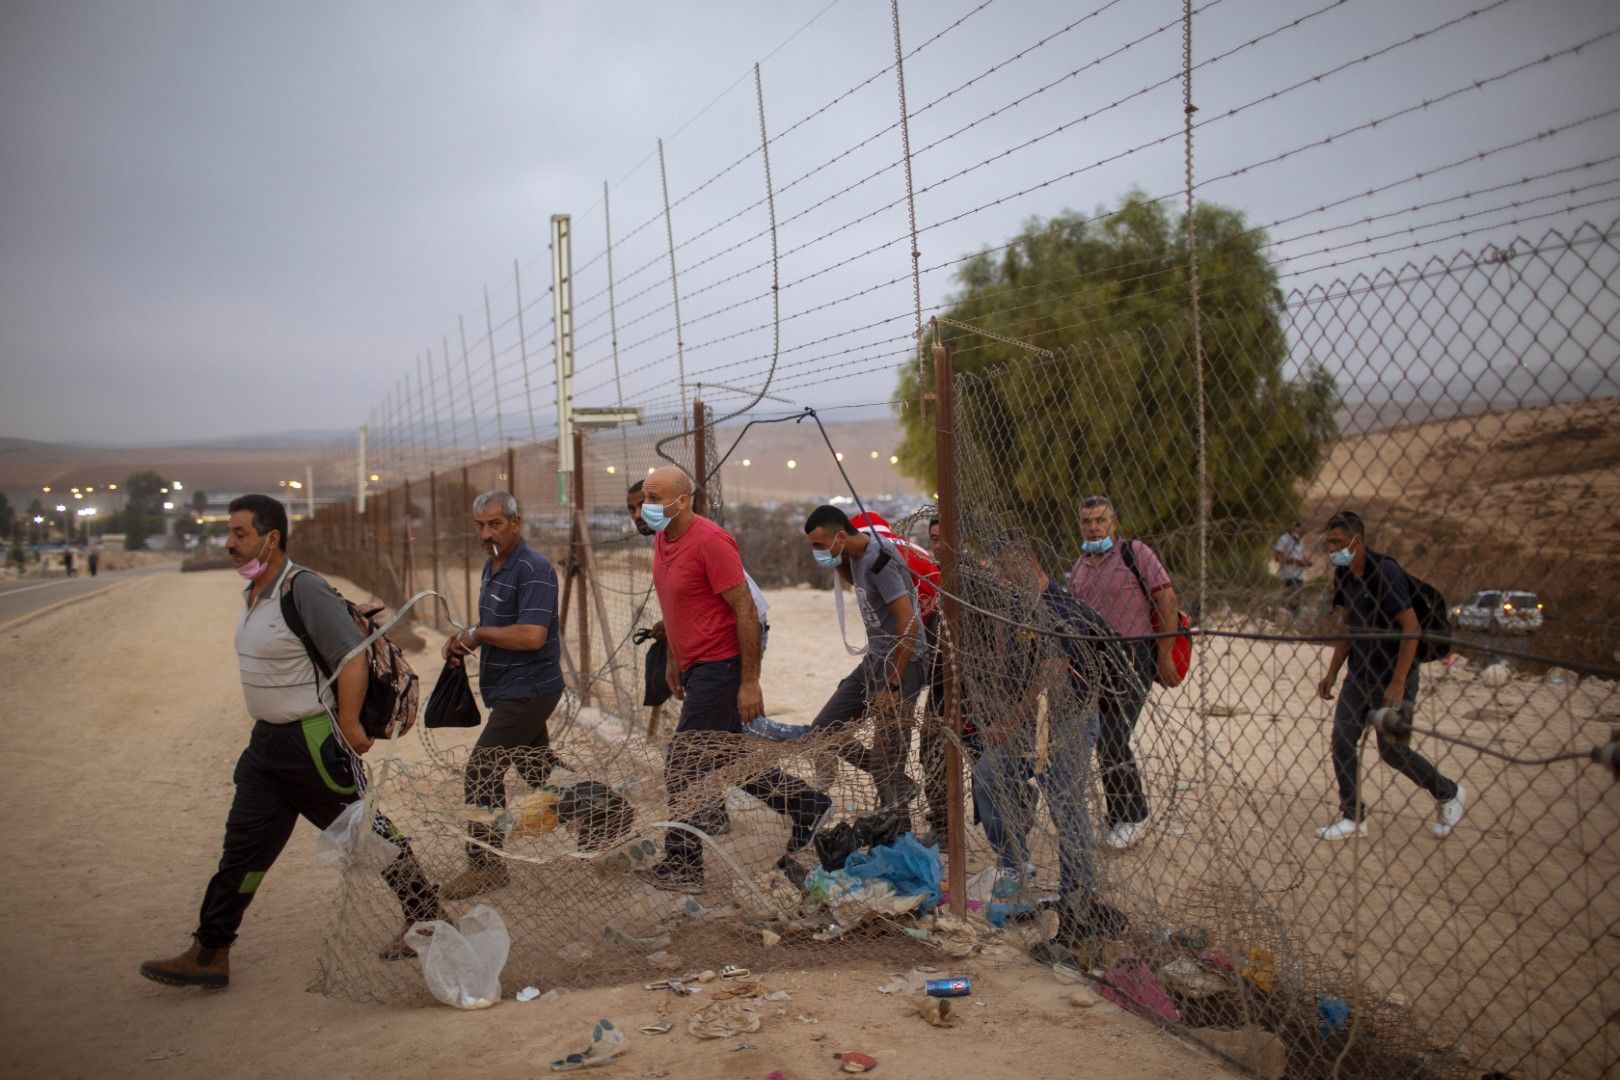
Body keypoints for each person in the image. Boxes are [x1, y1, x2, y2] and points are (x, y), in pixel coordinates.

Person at [139, 495, 440, 989]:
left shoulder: (304, 590)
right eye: (229, 533)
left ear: (271, 537)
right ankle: (210, 950)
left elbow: (353, 657)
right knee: (243, 850)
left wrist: (348, 721)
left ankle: (428, 914)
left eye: (239, 534)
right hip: (266, 749)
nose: (230, 544)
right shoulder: (256, 592)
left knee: (365, 834)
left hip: (312, 743)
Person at [635, 467, 830, 893]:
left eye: (654, 497)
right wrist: (672, 659)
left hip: (721, 667)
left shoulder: (710, 541)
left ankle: (684, 865)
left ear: (682, 500)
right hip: (693, 665)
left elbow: (744, 609)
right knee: (726, 758)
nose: (646, 506)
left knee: (683, 762)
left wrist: (749, 682)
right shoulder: (664, 539)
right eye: (645, 498)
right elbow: (676, 607)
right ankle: (807, 803)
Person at [974, 531, 1127, 943]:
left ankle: (1078, 895)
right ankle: (1015, 863)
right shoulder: (1018, 608)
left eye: (1006, 572)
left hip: (1069, 723)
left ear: (1026, 563)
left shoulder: (1060, 610)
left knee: (1067, 808)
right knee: (989, 776)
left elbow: (1052, 678)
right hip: (1029, 725)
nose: (1002, 581)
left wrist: (1009, 720)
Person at [437, 491, 567, 899]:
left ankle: (485, 866)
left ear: (516, 522)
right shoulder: (493, 566)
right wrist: (467, 640)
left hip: (529, 689)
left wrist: (477, 634)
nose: (486, 533)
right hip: (507, 687)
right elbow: (496, 625)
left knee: (482, 769)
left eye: (495, 524)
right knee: (540, 771)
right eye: (479, 525)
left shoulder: (534, 569)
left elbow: (532, 635)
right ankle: (609, 811)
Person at [1315, 511, 1465, 840]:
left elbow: (1411, 629)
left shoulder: (1385, 573)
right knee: (1342, 741)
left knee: (1393, 752)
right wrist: (1331, 672)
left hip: (1395, 676)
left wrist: (1398, 683)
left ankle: (1449, 793)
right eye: (1329, 543)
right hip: (1359, 675)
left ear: (1358, 540)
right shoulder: (1344, 575)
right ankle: (1353, 815)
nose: (1332, 549)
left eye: (1338, 542)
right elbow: (1347, 626)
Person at [1066, 495, 1179, 850]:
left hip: (1133, 656)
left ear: (1113, 522)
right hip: (1096, 662)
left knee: (1115, 736)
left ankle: (1135, 814)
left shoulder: (1135, 554)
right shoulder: (1080, 567)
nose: (1093, 527)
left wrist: (1165, 653)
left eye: (1100, 520)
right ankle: (1116, 817)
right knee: (1102, 739)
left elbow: (1167, 599)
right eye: (1087, 522)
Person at [803, 505, 928, 815]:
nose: (817, 553)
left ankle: (897, 830)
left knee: (888, 752)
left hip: (905, 661)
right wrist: (837, 559)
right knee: (824, 730)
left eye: (820, 545)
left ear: (841, 537)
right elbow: (852, 579)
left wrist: (893, 686)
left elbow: (908, 623)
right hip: (876, 658)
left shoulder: (879, 562)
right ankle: (898, 782)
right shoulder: (854, 558)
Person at [1273, 521, 1308, 616]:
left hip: (1299, 576)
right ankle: (1284, 621)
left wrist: (1306, 562)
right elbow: (1277, 557)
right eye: (1302, 529)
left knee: (1296, 603)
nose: (1304, 531)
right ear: (1295, 528)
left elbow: (1302, 556)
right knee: (1288, 602)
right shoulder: (1284, 539)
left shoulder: (1300, 541)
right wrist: (1294, 561)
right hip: (1288, 575)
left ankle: (1291, 622)